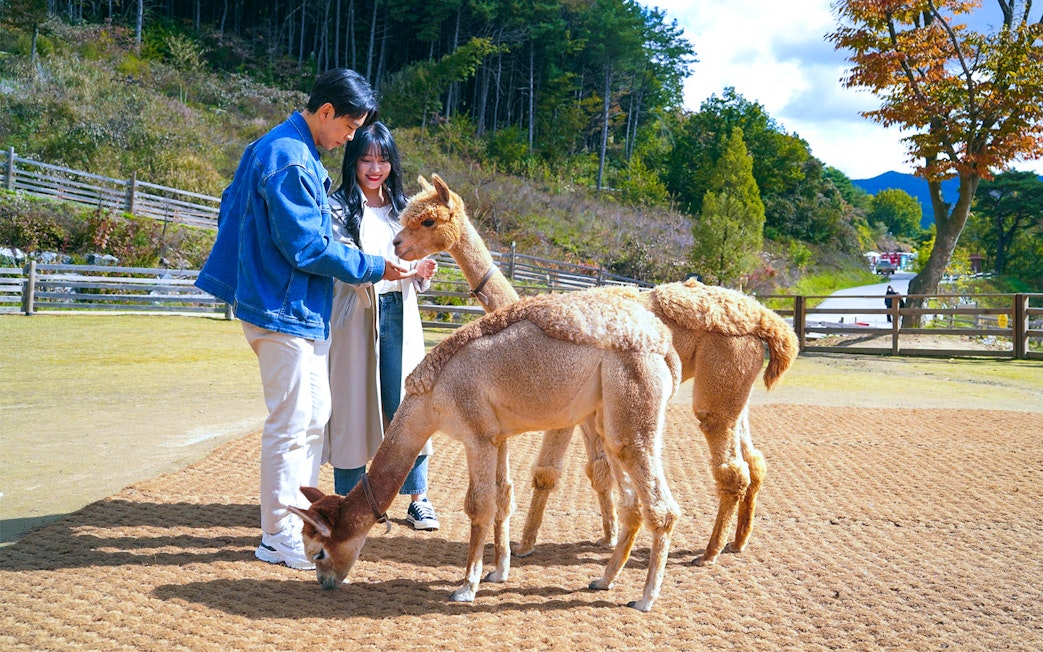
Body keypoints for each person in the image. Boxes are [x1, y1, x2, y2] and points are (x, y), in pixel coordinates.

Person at [194, 69, 416, 570]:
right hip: (282, 307)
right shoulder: (288, 157)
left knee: (312, 420)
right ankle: (277, 535)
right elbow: (307, 246)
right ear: (326, 112)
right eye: (351, 126)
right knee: (292, 426)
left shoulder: (289, 151)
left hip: (297, 309)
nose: (352, 138)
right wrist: (374, 265)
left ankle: (299, 526)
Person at [324, 122, 441, 530]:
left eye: (383, 159)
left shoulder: (404, 208)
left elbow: (417, 257)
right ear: (352, 161)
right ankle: (353, 501)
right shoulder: (337, 206)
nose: (375, 168)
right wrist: (407, 270)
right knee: (353, 406)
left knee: (407, 406)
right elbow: (343, 262)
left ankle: (418, 497)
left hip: (400, 314)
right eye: (366, 159)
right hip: (356, 315)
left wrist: (423, 271)